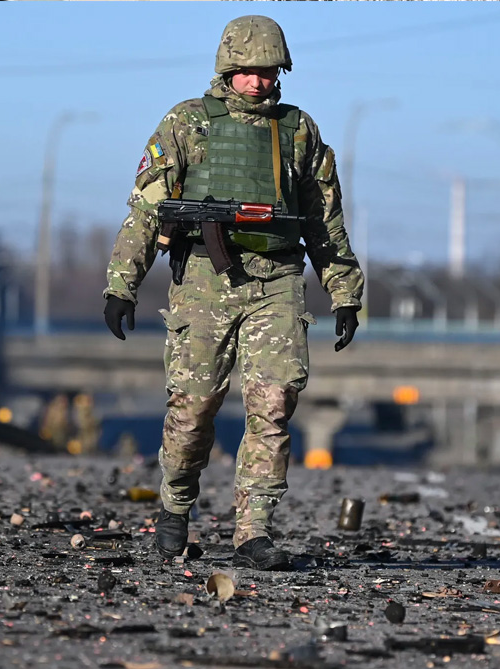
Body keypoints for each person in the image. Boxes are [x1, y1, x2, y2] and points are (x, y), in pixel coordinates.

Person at [102, 15, 364, 571]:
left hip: (277, 280)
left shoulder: (298, 132)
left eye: (267, 71)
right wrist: (122, 283)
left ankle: (254, 529)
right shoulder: (187, 123)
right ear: (227, 69)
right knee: (193, 408)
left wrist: (343, 291)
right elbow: (147, 209)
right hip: (203, 280)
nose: (257, 81)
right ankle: (175, 504)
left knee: (273, 406)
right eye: (246, 71)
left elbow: (324, 221)